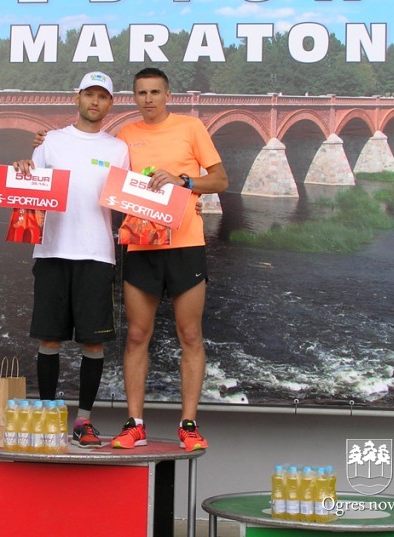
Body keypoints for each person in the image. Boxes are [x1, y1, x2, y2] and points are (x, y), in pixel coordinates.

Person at [110, 67, 229, 452]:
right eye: (141, 93)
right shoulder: (125, 135)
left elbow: (221, 179)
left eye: (155, 92)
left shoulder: (191, 127)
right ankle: (135, 425)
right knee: (137, 335)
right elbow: (97, 166)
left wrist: (185, 182)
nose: (148, 99)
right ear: (134, 97)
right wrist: (44, 144)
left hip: (185, 245)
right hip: (141, 247)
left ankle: (188, 425)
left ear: (168, 95)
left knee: (189, 335)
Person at [12, 71, 129, 448]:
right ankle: (49, 418)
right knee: (49, 339)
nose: (95, 101)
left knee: (93, 343)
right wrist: (23, 169)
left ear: (110, 104)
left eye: (102, 96)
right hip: (52, 250)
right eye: (89, 94)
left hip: (97, 253)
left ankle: (84, 421)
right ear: (77, 98)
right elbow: (31, 184)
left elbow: (130, 197)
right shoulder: (50, 141)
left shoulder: (119, 149)